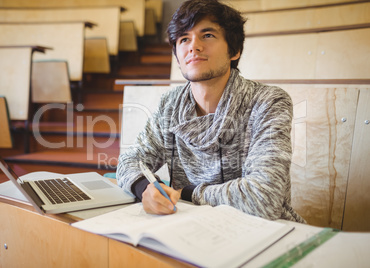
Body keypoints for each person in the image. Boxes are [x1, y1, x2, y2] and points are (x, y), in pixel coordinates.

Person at [117, 0, 305, 223]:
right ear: (177, 55)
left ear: (234, 50)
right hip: (191, 226)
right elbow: (130, 160)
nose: (193, 46)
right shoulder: (170, 104)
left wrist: (186, 193)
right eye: (184, 39)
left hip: (263, 231)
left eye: (207, 35)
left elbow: (263, 198)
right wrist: (145, 188)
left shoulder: (268, 101)